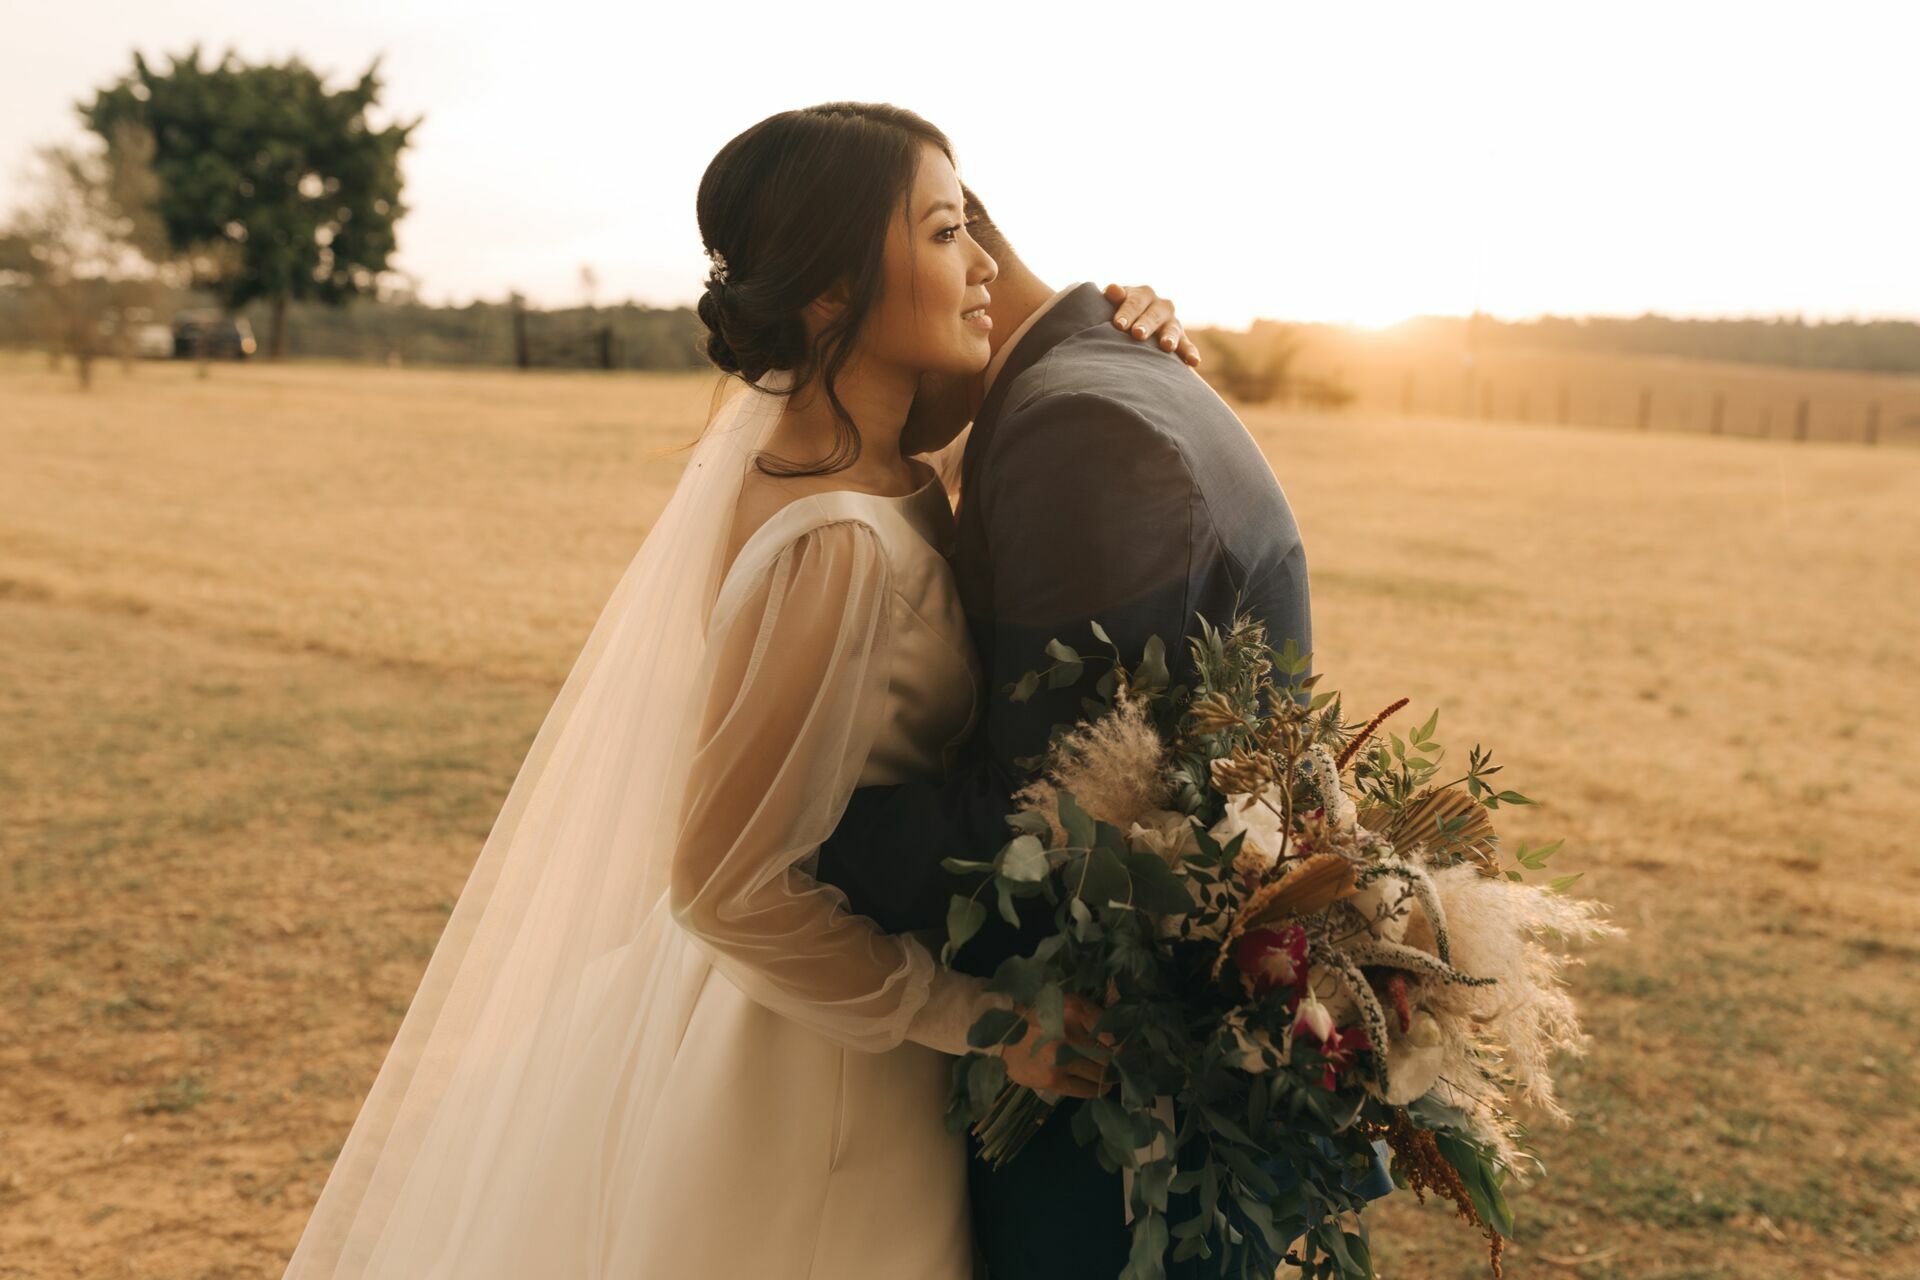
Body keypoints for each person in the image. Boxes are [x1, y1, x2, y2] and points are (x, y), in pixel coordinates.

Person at [278, 101, 1193, 1279]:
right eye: (945, 233)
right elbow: (724, 886)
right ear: (826, 294)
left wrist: (1121, 325)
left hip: (818, 1032)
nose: (982, 267)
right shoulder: (833, 541)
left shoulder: (875, 464)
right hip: (806, 1084)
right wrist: (985, 1019)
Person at [810, 188, 1396, 1277]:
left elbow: (1057, 819)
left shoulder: (1075, 424)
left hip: (1123, 1094)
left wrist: (800, 835)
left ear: (954, 259)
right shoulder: (1109, 372)